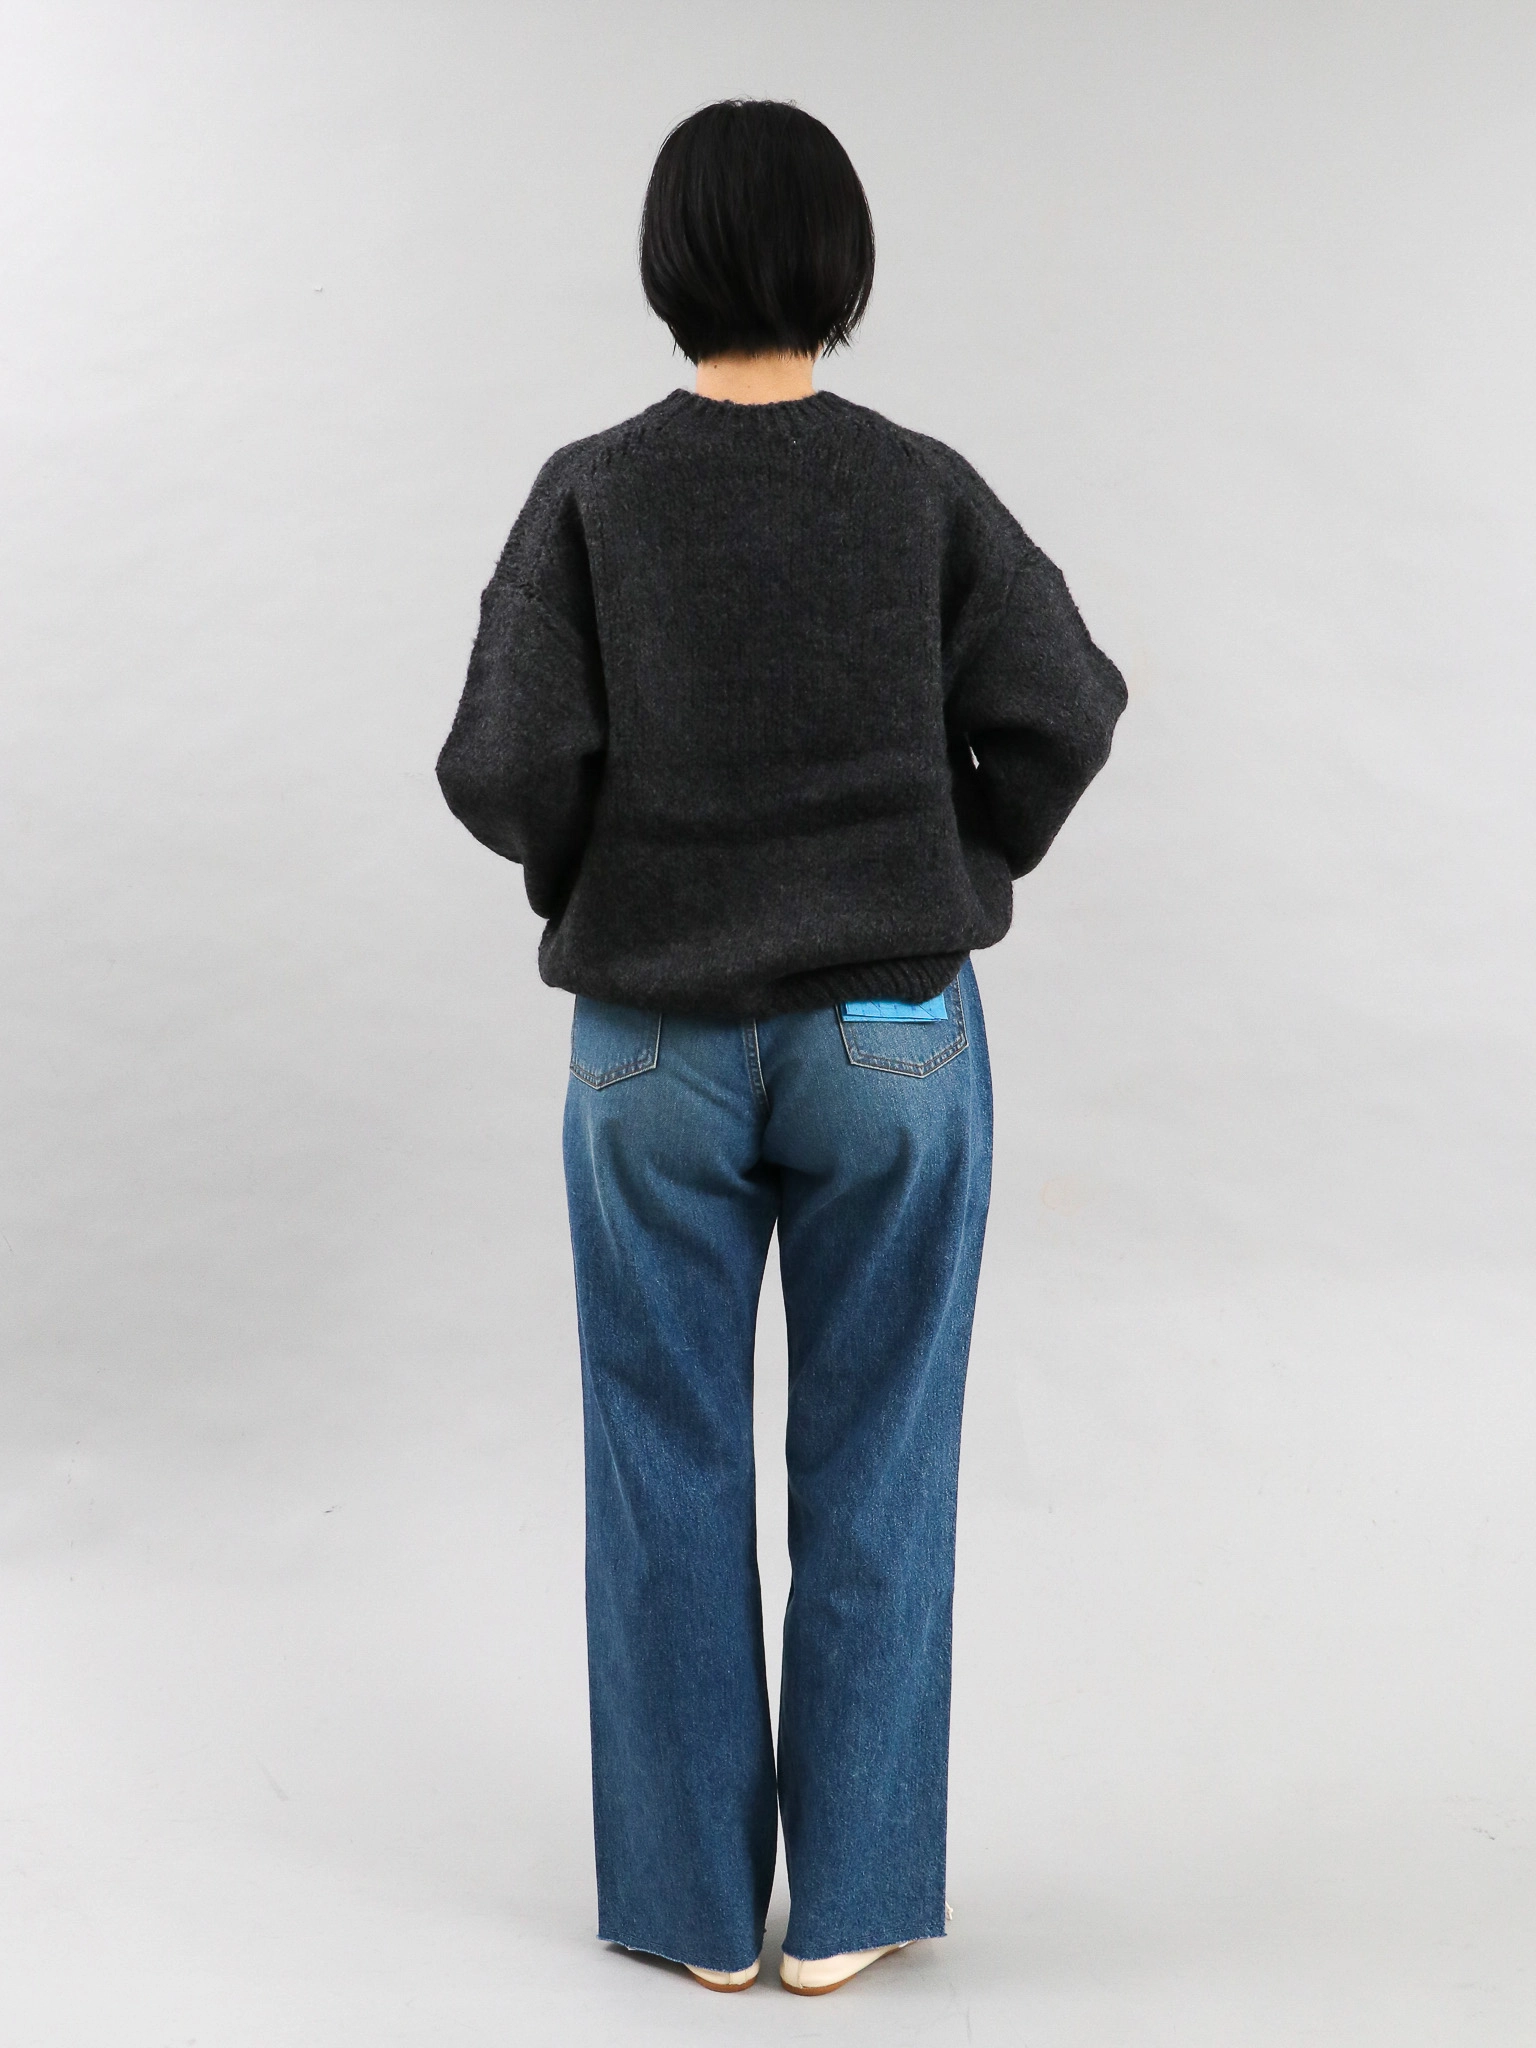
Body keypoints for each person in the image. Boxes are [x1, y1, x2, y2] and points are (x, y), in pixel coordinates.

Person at [435, 97, 1127, 1997]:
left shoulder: (592, 493)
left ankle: (685, 1914)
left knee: (660, 1465)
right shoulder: (917, 488)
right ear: (845, 269)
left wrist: (610, 885)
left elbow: (501, 763)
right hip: (891, 1030)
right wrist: (948, 862)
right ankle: (850, 1909)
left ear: (666, 268)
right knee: (880, 1460)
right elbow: (1066, 706)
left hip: (648, 1048)